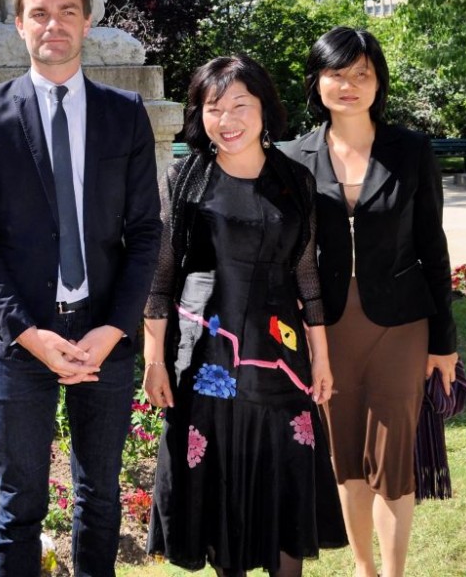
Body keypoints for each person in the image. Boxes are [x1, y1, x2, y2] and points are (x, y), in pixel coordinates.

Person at [0, 0, 162, 576]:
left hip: (104, 336)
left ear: (88, 21)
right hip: (20, 343)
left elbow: (146, 233)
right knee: (20, 504)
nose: (54, 24)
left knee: (100, 498)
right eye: (39, 13)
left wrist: (115, 329)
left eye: (67, 11)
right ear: (19, 24)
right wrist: (29, 334)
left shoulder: (124, 113)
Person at [143, 55, 347, 577]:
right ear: (200, 113)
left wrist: (321, 359)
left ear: (264, 110)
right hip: (208, 366)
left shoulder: (295, 180)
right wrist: (154, 362)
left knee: (286, 498)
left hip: (281, 362)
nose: (227, 119)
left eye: (240, 105)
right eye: (214, 107)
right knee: (219, 504)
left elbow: (308, 278)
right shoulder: (185, 179)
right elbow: (160, 281)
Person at [281, 27, 458, 577]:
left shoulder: (410, 150)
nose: (350, 84)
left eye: (363, 73)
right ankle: (362, 567)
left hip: (401, 325)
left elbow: (434, 244)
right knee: (345, 454)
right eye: (338, 73)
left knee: (393, 459)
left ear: (379, 81)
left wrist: (445, 343)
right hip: (326, 329)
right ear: (318, 81)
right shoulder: (292, 158)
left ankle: (394, 572)